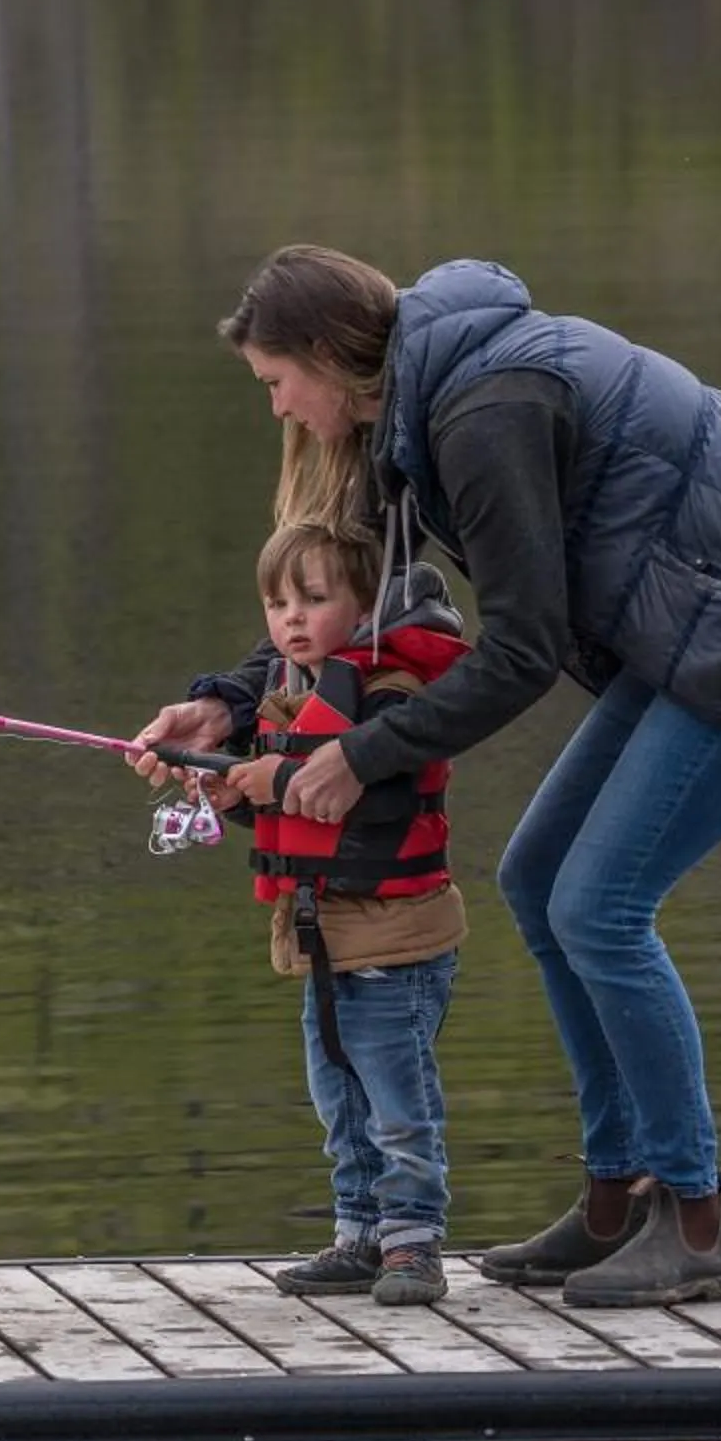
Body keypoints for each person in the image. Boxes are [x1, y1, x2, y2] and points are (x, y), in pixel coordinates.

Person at [134, 248, 721, 1309]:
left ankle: (697, 1215)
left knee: (602, 905)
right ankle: (616, 1194)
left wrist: (363, 754)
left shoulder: (483, 413)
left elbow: (524, 650)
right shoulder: (417, 408)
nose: (279, 410)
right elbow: (369, 608)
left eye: (275, 384)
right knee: (539, 880)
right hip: (702, 615)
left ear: (324, 358)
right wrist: (229, 696)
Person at [203, 520, 474, 1307]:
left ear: (362, 608)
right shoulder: (292, 696)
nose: (291, 618)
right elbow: (301, 813)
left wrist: (275, 781)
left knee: (398, 1101)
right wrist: (238, 791)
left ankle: (414, 1242)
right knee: (339, 1100)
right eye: (276, 602)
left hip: (396, 939)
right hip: (327, 939)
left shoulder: (392, 691)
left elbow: (379, 798)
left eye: (313, 600)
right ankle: (358, 1232)